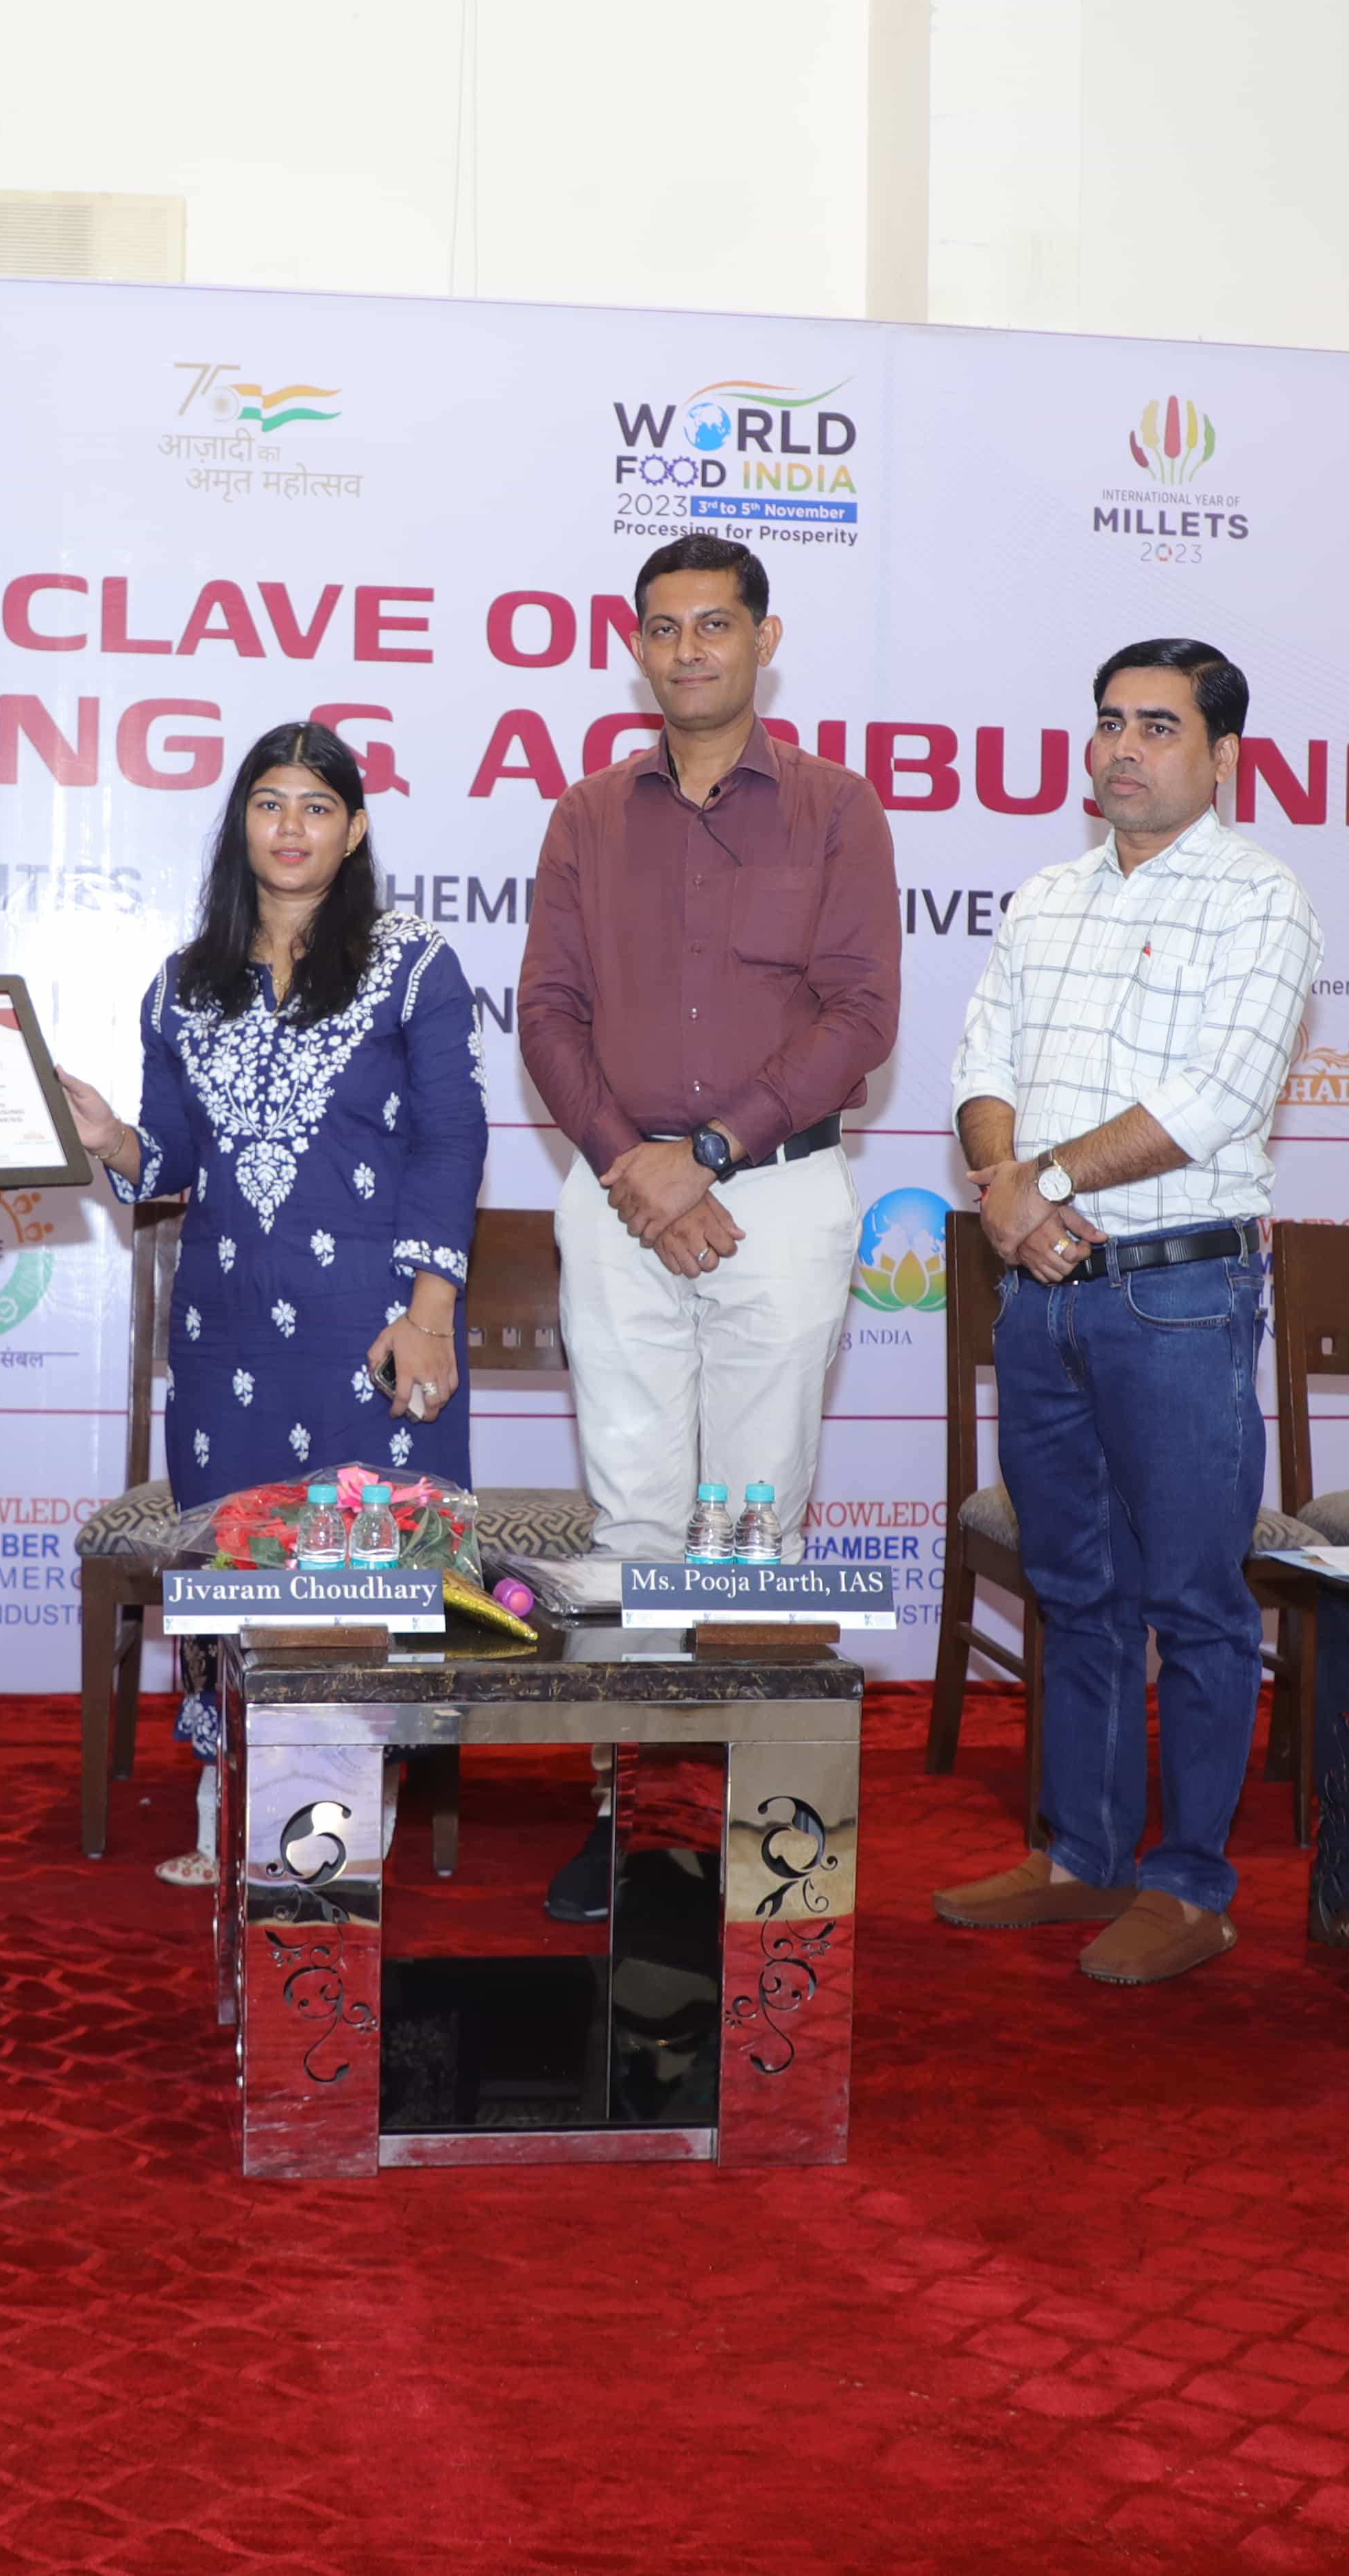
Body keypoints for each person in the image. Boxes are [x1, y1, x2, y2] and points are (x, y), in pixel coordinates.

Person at [515, 532, 896, 1917]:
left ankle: (761, 1839)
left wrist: (712, 1155)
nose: (690, 650)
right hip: (618, 1193)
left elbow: (861, 1014)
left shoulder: (838, 808)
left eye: (716, 625)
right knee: (632, 1524)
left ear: (763, 640)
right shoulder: (585, 816)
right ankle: (627, 1824)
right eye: (665, 628)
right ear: (637, 647)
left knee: (757, 1526)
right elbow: (547, 1012)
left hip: (776, 1193)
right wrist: (639, 1166)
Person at [933, 636, 1320, 1989]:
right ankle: (1084, 1854)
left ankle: (1191, 1885)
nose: (1123, 749)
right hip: (1041, 1290)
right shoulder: (1045, 897)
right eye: (1109, 722)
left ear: (1223, 755)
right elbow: (980, 1064)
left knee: (1196, 1600)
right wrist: (1010, 1193)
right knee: (1076, 1589)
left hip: (1178, 1295)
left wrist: (1035, 1182)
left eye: (1159, 726)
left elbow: (1216, 1100)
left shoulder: (1261, 899)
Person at [58, 721, 481, 1883]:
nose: (291, 827)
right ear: (240, 823)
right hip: (227, 1333)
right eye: (268, 802)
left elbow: (451, 1141)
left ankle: (340, 1831)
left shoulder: (413, 965)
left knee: (366, 1580)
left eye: (317, 806)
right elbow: (171, 1164)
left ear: (355, 831)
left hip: (375, 1330)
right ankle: (226, 1805)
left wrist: (430, 1314)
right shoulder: (183, 985)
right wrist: (109, 1137)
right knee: (233, 1575)